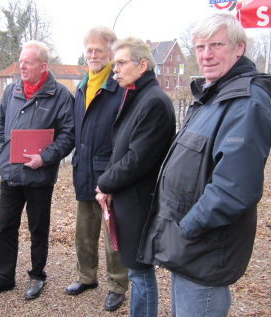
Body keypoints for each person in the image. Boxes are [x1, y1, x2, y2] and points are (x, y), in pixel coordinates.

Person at [137, 12, 271, 316]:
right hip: (186, 247)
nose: (206, 55)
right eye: (200, 48)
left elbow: (234, 188)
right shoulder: (214, 94)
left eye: (216, 45)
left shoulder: (246, 100)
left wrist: (187, 227)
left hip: (203, 247)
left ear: (239, 48)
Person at [0, 40, 75, 300]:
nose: (21, 66)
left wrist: (44, 157)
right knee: (6, 228)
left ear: (43, 66)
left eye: (28, 62)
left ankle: (36, 276)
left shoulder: (60, 95)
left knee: (38, 230)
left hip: (39, 177)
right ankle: (4, 278)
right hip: (11, 175)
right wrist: (0, 151)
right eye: (21, 60)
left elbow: (69, 135)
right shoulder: (12, 90)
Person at [95, 37, 176, 317]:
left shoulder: (153, 101)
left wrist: (105, 182)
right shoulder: (137, 95)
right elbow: (121, 150)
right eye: (114, 63)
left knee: (140, 273)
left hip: (141, 202)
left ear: (142, 65)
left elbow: (138, 159)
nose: (114, 69)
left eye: (120, 63)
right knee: (135, 271)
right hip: (130, 198)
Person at [65, 26, 129, 311]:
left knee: (112, 235)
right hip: (84, 171)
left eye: (99, 50)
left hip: (109, 175)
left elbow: (125, 138)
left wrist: (114, 178)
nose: (92, 55)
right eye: (89, 50)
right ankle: (86, 277)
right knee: (84, 232)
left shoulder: (120, 89)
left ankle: (117, 285)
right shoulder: (81, 87)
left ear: (111, 52)